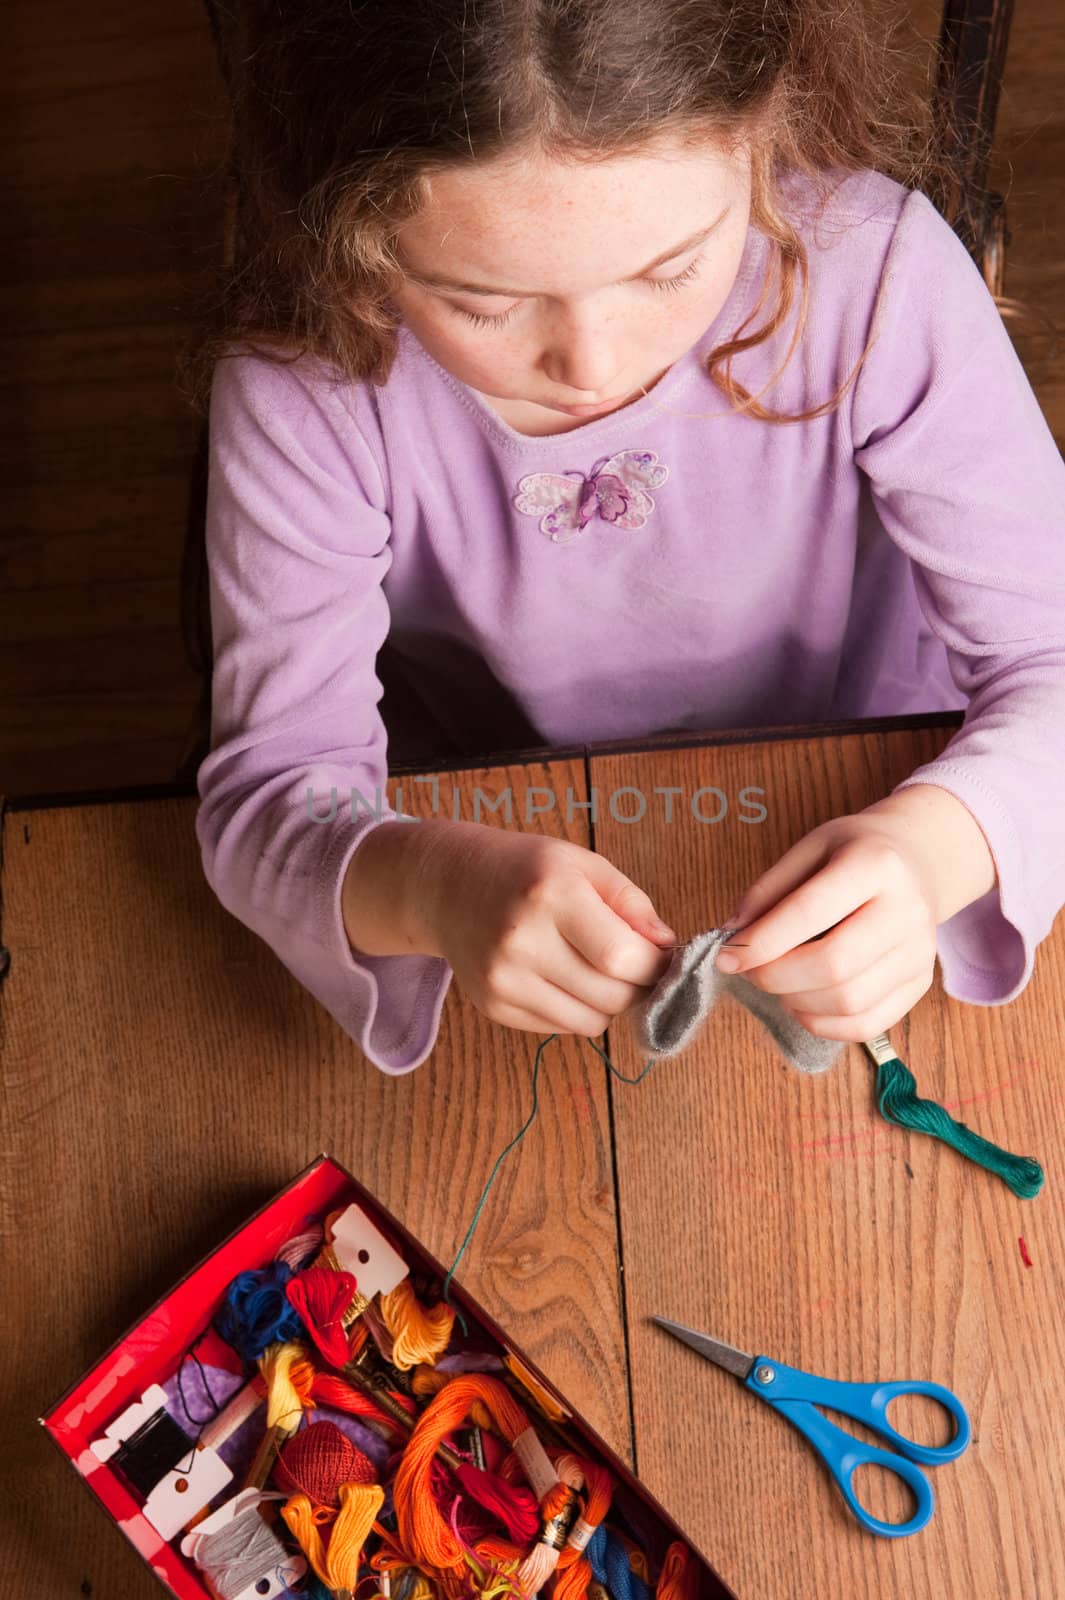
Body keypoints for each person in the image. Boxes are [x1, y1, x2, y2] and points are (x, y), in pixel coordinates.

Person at [182, 0, 1065, 1076]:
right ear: (354, 229)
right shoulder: (308, 388)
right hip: (488, 802)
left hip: (876, 765)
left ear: (764, 131)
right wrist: (427, 882)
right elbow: (277, 789)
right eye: (483, 302)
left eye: (668, 269)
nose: (592, 367)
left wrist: (940, 849)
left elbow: (1052, 661)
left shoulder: (874, 277)